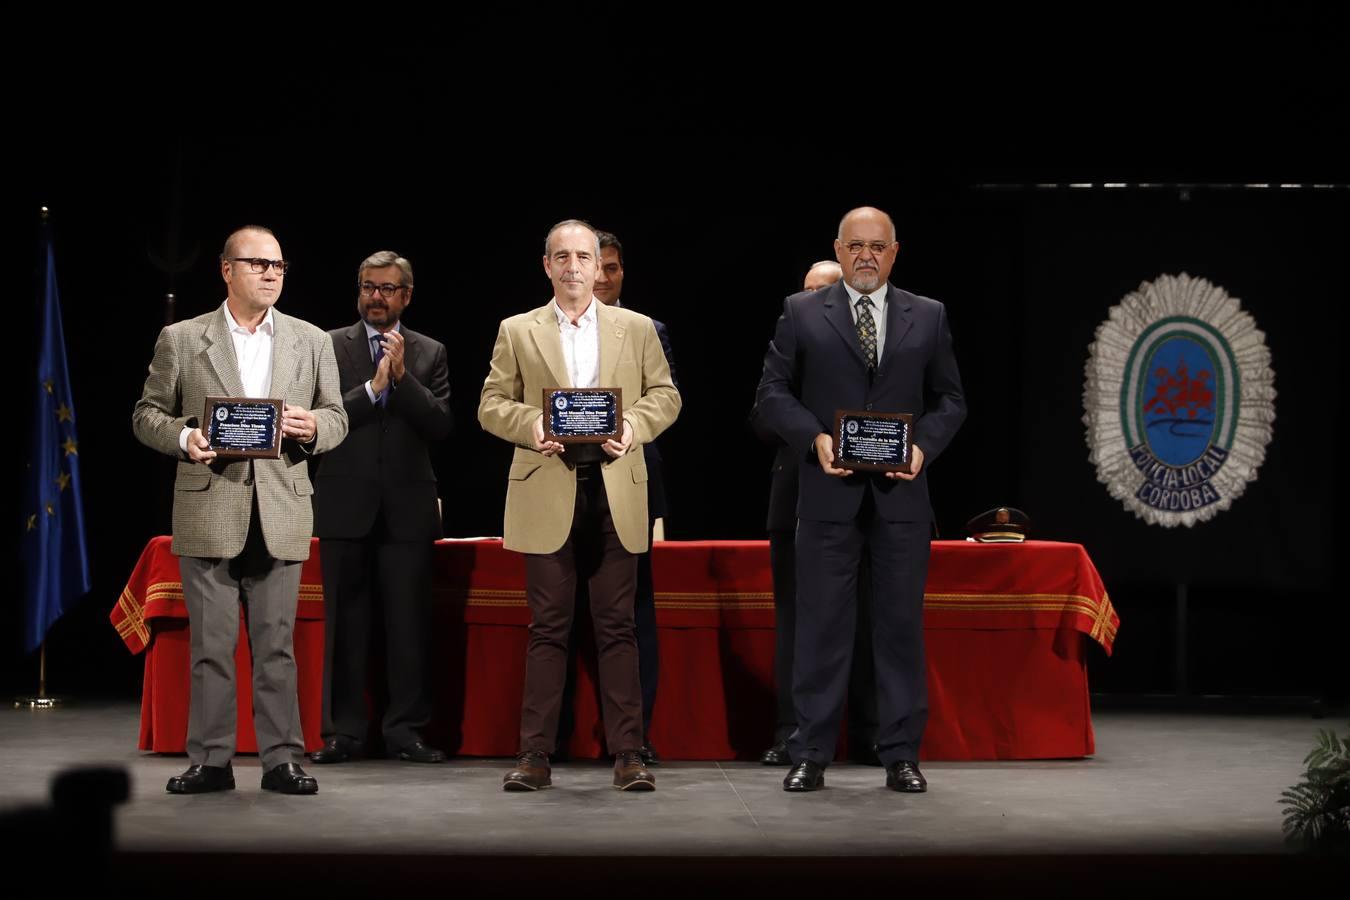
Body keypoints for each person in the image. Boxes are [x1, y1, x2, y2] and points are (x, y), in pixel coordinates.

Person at [755, 207, 966, 792]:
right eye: (856, 246)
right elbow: (771, 394)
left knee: (899, 629)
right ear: (839, 250)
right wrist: (815, 438)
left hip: (901, 501)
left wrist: (922, 447)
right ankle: (811, 752)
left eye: (878, 246)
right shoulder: (801, 312)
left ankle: (901, 755)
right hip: (826, 497)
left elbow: (951, 400)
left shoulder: (927, 316)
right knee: (820, 629)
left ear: (894, 252)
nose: (866, 255)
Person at [132, 225, 348, 795]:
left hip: (282, 509)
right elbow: (147, 414)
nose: (272, 273)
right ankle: (212, 761)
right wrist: (184, 439)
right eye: (258, 264)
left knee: (277, 648)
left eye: (278, 264)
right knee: (212, 649)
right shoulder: (182, 338)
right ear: (227, 270)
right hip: (210, 509)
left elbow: (337, 415)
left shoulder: (311, 340)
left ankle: (283, 761)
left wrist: (315, 427)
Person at [478, 219, 680, 791]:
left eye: (583, 256)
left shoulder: (635, 328)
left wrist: (634, 427)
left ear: (599, 266)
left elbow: (666, 394)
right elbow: (491, 403)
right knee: (548, 628)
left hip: (616, 486)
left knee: (617, 627)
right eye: (561, 256)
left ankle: (629, 755)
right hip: (548, 486)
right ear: (547, 266)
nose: (573, 266)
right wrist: (533, 423)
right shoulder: (517, 330)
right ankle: (534, 756)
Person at [310, 251, 452, 766]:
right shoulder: (327, 345)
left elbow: (440, 424)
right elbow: (319, 421)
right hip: (344, 502)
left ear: (406, 296)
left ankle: (405, 732)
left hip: (408, 510)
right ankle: (344, 733)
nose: (376, 296)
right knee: (345, 627)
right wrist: (373, 389)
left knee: (408, 627)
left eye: (388, 289)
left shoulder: (430, 351)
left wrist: (402, 378)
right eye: (369, 286)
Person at [753, 259, 879, 768]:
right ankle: (793, 731)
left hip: (876, 499)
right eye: (805, 291)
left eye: (824, 291)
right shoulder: (791, 349)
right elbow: (761, 419)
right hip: (799, 501)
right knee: (799, 623)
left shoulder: (881, 344)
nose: (814, 301)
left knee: (871, 621)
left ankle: (870, 732)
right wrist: (809, 427)